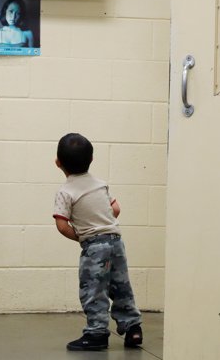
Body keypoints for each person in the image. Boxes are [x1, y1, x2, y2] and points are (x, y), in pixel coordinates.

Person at [52, 133, 143, 351]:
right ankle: (133, 328)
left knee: (93, 289)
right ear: (91, 160)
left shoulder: (65, 192)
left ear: (58, 163)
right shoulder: (100, 184)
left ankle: (97, 333)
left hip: (94, 246)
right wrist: (104, 225)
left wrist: (84, 237)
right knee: (120, 286)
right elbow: (116, 209)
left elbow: (62, 226)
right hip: (116, 242)